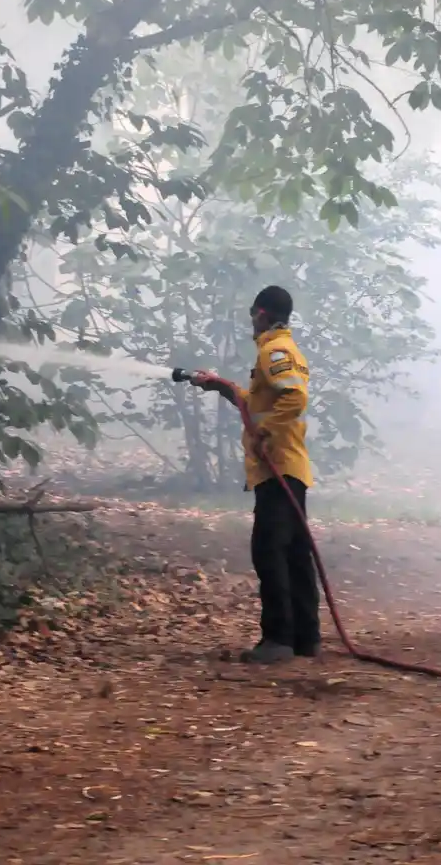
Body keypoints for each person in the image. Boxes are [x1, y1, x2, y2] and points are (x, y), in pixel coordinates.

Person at [188, 285, 319, 665]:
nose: (250, 321)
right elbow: (260, 403)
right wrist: (222, 387)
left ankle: (278, 639)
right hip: (287, 466)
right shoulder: (281, 350)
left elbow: (294, 398)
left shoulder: (274, 351)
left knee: (269, 549)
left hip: (277, 465)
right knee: (294, 551)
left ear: (261, 313)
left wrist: (264, 432)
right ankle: (305, 639)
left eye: (251, 314)